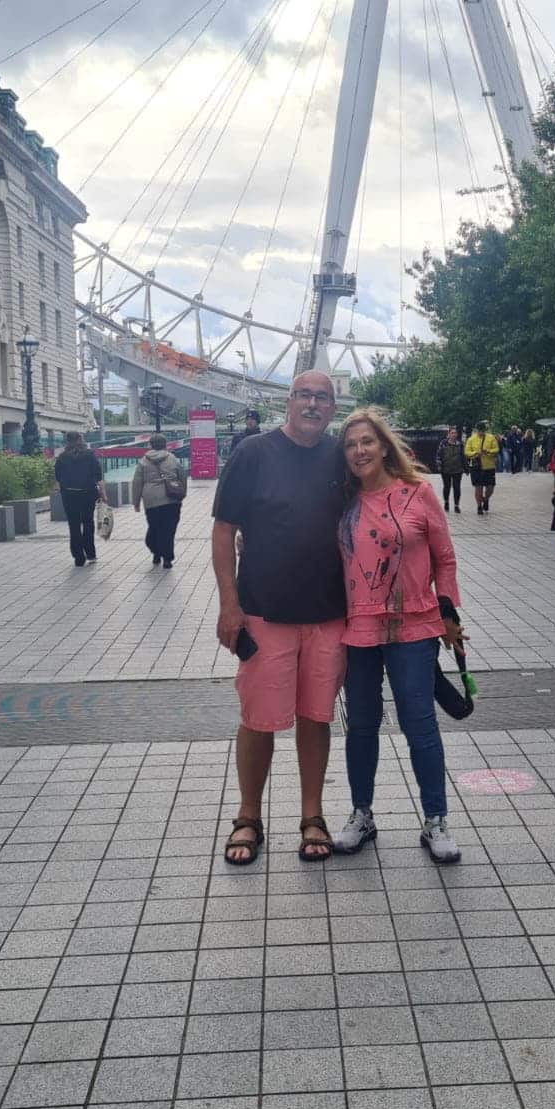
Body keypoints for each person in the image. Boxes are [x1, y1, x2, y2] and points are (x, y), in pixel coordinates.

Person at [212, 370, 346, 864]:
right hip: (264, 612)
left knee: (317, 716)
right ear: (287, 402)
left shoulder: (341, 457)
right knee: (258, 719)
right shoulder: (253, 453)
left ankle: (313, 815)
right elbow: (223, 529)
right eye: (304, 395)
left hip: (328, 613)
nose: (312, 404)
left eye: (322, 397)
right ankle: (248, 816)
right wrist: (229, 605)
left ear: (333, 408)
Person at [333, 408, 463, 863]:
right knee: (361, 724)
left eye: (367, 441)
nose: (359, 451)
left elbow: (445, 558)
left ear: (384, 446)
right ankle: (361, 813)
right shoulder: (341, 500)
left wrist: (449, 613)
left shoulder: (417, 492)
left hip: (415, 624)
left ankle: (436, 819)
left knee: (419, 722)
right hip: (358, 626)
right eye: (350, 445)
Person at [132, 433, 187, 568]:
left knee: (154, 527)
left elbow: (137, 482)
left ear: (150, 445)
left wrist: (136, 502)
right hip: (171, 499)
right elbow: (182, 476)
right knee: (168, 529)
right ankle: (167, 558)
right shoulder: (172, 459)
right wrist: (182, 493)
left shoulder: (143, 461)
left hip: (151, 500)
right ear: (165, 444)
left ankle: (156, 552)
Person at [54, 432, 106, 567]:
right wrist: (103, 494)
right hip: (88, 493)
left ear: (67, 441)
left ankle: (78, 557)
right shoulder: (90, 455)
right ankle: (90, 553)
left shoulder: (62, 457)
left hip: (69, 494)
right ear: (81, 440)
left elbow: (58, 476)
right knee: (88, 522)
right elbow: (98, 476)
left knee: (74, 524)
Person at [464, 421, 498, 514]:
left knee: (490, 488)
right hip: (476, 466)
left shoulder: (491, 438)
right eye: (479, 430)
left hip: (489, 466)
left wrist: (488, 451)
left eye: (482, 430)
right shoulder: (471, 439)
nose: (481, 432)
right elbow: (466, 452)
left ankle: (486, 499)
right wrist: (475, 453)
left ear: (485, 430)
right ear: (476, 430)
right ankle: (479, 506)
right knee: (478, 487)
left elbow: (496, 449)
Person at [436, 425, 465, 513]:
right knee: (447, 487)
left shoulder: (460, 444)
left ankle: (456, 505)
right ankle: (446, 502)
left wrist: (465, 467)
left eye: (455, 433)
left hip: (457, 469)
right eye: (452, 433)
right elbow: (438, 455)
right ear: (448, 434)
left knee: (457, 487)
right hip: (446, 469)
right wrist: (439, 465)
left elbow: (463, 456)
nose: (454, 435)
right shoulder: (443, 444)